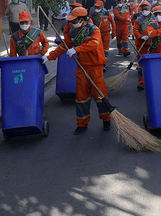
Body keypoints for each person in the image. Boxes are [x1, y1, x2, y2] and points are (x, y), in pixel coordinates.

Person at [44, 7, 111, 135]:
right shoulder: (74, 32)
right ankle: (82, 124)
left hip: (95, 68)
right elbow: (63, 46)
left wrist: (76, 49)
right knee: (81, 98)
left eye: (73, 21)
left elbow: (94, 44)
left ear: (81, 19)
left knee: (99, 96)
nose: (71, 23)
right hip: (82, 68)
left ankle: (106, 120)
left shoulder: (94, 30)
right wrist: (49, 57)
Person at [133, 1, 153, 90]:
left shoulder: (155, 18)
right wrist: (141, 37)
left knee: (152, 62)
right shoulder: (138, 20)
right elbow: (135, 30)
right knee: (141, 63)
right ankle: (141, 81)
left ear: (150, 9)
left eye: (146, 9)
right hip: (141, 44)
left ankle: (152, 79)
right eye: (143, 9)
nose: (144, 11)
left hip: (153, 44)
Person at [89, 0, 115, 70]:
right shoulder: (93, 14)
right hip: (97, 34)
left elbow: (112, 22)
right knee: (98, 48)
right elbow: (90, 25)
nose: (97, 7)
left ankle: (104, 63)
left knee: (105, 49)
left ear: (102, 6)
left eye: (98, 6)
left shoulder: (107, 13)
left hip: (106, 33)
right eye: (96, 6)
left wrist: (113, 32)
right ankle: (99, 62)